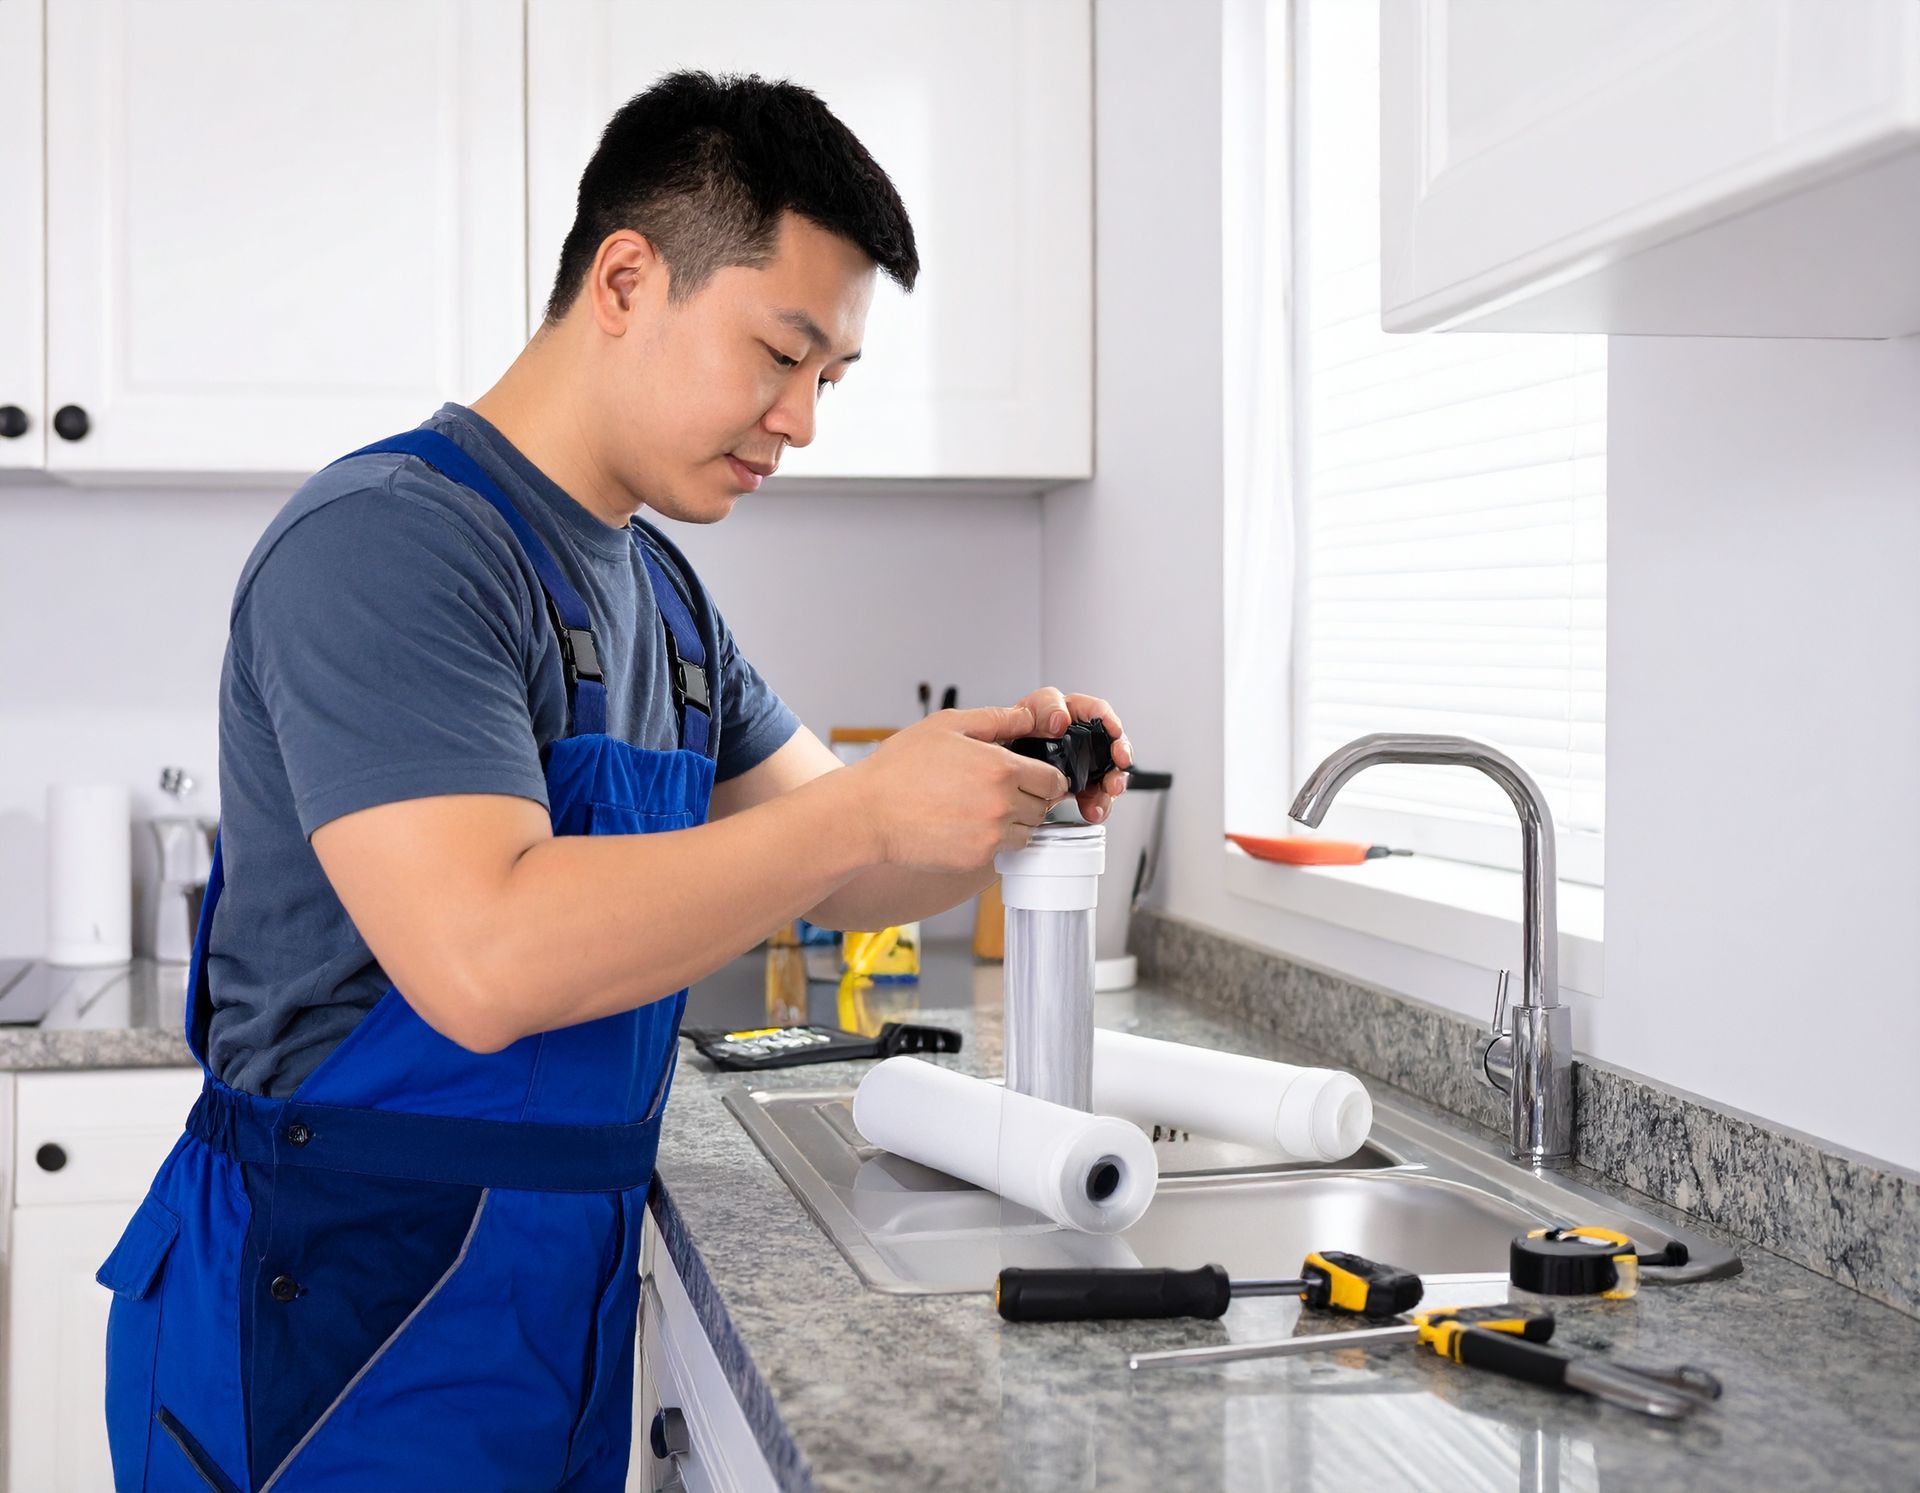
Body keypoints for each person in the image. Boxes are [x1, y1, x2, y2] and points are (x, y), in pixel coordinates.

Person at [96, 70, 1129, 1492]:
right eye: (782, 352)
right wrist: (870, 805)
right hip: (328, 1319)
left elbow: (857, 862)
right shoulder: (391, 546)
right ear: (627, 278)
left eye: (831, 378)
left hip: (533, 1308)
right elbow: (485, 952)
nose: (805, 419)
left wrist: (994, 786)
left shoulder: (660, 596)